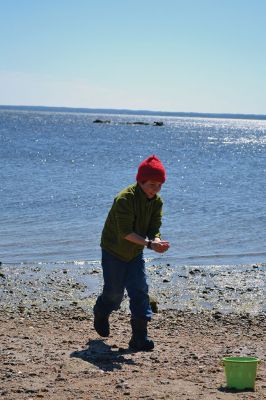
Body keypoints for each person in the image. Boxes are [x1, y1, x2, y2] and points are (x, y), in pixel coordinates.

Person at [93, 155, 170, 351]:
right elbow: (125, 233)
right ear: (140, 181)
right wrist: (150, 245)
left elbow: (154, 228)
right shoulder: (124, 199)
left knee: (139, 290)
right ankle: (101, 311)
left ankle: (139, 337)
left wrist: (157, 241)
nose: (156, 189)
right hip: (113, 250)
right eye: (152, 184)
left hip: (135, 252)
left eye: (159, 185)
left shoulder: (157, 202)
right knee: (114, 294)